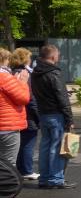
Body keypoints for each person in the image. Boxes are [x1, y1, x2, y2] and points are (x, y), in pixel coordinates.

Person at [31, 44, 76, 189]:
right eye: (58, 55)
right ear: (53, 56)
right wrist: (69, 118)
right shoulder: (54, 73)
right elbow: (62, 97)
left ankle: (44, 178)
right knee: (56, 147)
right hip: (56, 114)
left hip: (43, 113)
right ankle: (56, 178)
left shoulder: (35, 73)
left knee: (45, 146)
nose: (59, 57)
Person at [0, 48, 31, 198]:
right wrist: (23, 83)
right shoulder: (4, 77)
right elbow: (23, 98)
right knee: (8, 165)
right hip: (8, 126)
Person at [10, 48, 39, 181]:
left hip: (15, 114)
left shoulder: (10, 72)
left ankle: (20, 169)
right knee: (28, 143)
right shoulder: (25, 74)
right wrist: (38, 116)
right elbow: (30, 97)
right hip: (28, 114)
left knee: (20, 143)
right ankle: (26, 170)